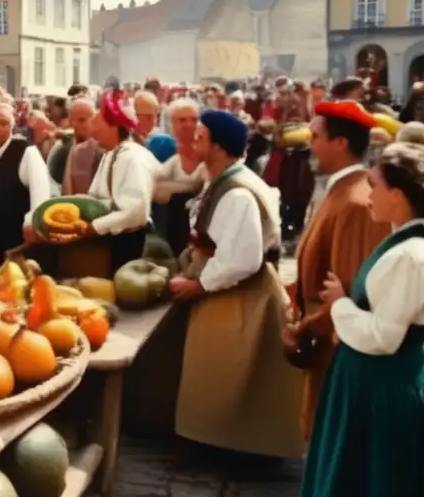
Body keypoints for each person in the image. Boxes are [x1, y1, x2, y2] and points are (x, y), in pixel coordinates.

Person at [292, 142, 424, 497]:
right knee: (361, 489)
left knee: (370, 496)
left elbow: (384, 336)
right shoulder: (408, 243)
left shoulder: (412, 256)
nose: (368, 193)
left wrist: (341, 307)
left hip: (381, 388)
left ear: (399, 194)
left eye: (375, 185)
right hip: (372, 384)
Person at [166, 110, 302, 458]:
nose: (192, 141)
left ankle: (231, 447)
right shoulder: (221, 179)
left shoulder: (238, 192)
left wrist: (201, 284)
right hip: (224, 287)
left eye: (200, 137)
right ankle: (213, 439)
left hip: (241, 293)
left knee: (228, 368)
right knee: (216, 368)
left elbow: (243, 258)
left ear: (219, 147)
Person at [284, 101, 389, 441]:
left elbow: (352, 291)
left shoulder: (356, 202)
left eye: (316, 136)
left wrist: (305, 327)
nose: (310, 144)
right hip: (324, 347)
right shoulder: (339, 192)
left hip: (337, 355)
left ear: (340, 143)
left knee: (331, 444)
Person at [80, 89, 157, 275]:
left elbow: (135, 212)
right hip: (112, 242)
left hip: (130, 245)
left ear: (113, 126)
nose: (93, 129)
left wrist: (93, 228)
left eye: (97, 123)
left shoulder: (132, 158)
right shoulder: (110, 153)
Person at [0, 104, 51, 273]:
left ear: (11, 127)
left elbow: (40, 193)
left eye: (2, 123)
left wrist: (32, 225)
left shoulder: (26, 151)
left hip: (17, 238)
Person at [154, 98, 206, 256]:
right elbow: (156, 191)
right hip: (175, 231)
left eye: (194, 119)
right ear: (172, 124)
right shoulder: (163, 149)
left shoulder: (212, 149)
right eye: (182, 120)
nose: (189, 124)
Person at [60, 97, 103, 196]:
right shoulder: (64, 149)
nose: (89, 124)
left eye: (83, 120)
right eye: (81, 120)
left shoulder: (105, 149)